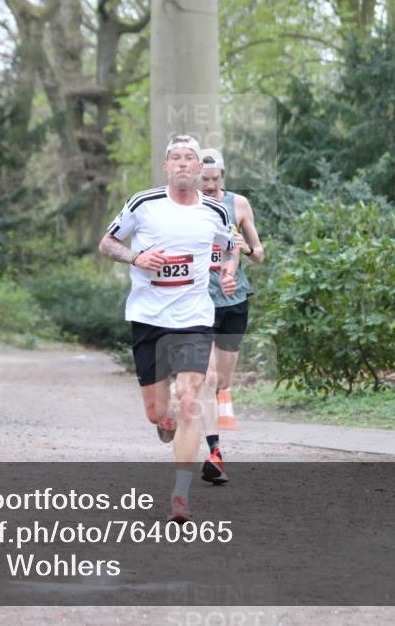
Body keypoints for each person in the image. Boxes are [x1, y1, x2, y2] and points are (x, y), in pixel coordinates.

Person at [99, 135, 239, 522]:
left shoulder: (215, 211)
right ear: (166, 167)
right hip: (148, 317)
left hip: (194, 317)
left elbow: (230, 248)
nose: (181, 163)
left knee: (190, 397)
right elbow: (107, 243)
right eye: (174, 158)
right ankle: (165, 421)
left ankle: (180, 495)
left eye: (188, 158)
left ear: (199, 169)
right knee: (156, 413)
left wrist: (228, 273)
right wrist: (136, 256)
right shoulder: (143, 204)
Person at [197, 148, 265, 486]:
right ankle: (215, 454)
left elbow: (260, 254)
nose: (209, 186)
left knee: (222, 381)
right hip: (198, 300)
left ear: (223, 177)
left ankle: (203, 420)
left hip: (234, 299)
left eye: (214, 179)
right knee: (207, 380)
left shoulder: (238, 205)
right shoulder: (186, 207)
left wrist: (246, 247)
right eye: (203, 179)